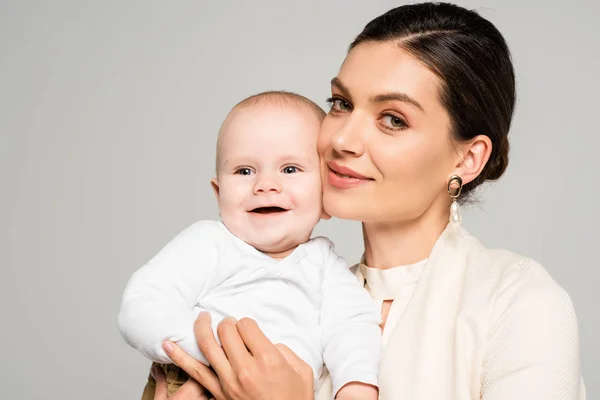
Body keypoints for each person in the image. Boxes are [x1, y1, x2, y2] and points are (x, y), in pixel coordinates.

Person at [153, 2, 587, 400]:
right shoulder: (285, 290)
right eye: (341, 103)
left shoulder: (517, 302)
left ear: (467, 157)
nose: (341, 138)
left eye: (393, 119)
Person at [118, 91, 382, 400]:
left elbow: (353, 326)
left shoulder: (325, 266)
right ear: (219, 195)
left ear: (326, 198)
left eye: (290, 169)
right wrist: (219, 353)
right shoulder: (209, 243)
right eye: (245, 171)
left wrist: (356, 386)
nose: (265, 185)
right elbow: (142, 307)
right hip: (200, 382)